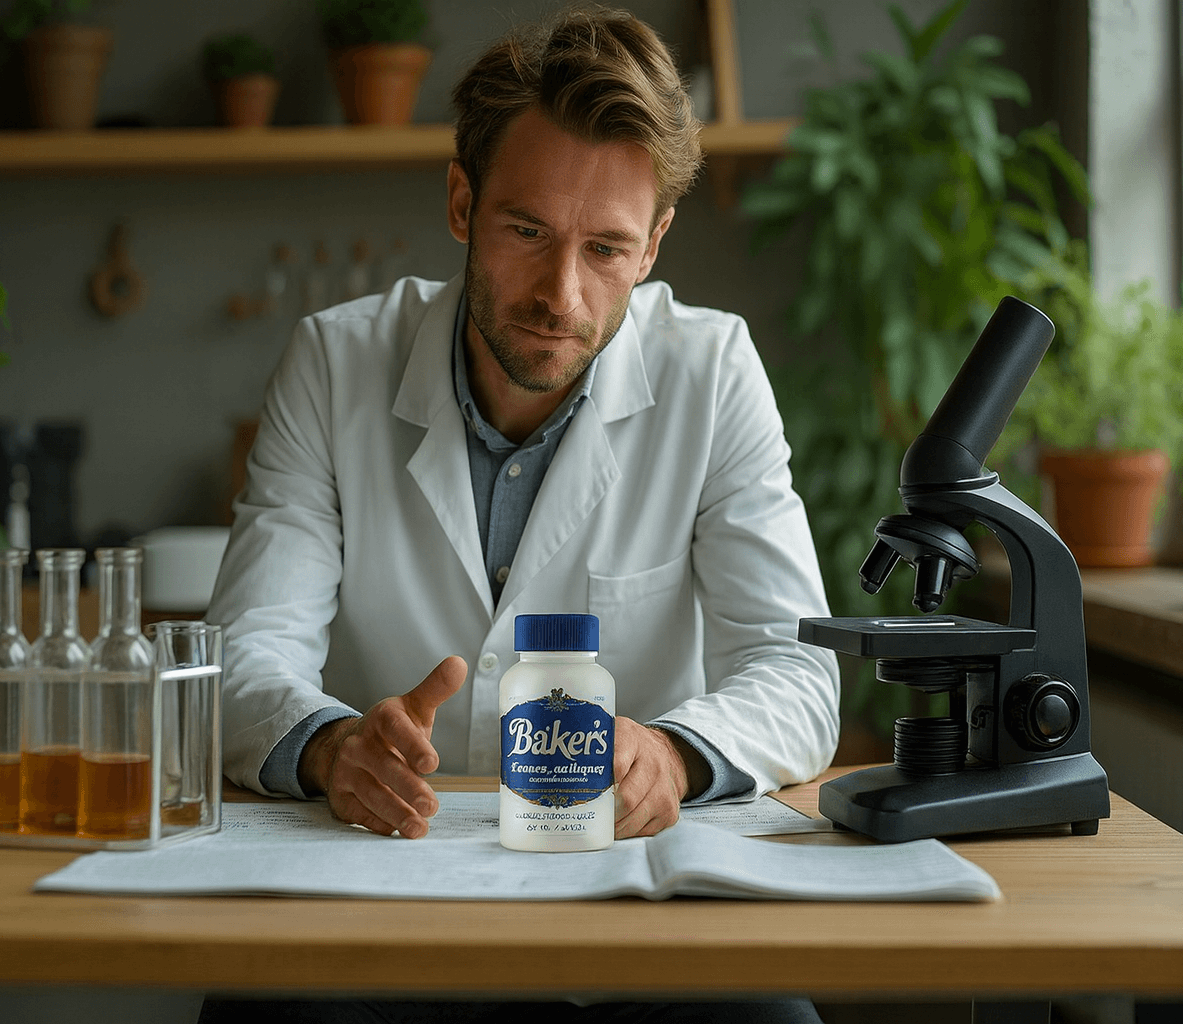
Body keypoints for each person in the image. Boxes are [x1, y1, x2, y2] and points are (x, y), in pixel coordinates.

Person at [202, 6, 837, 1022]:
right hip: (381, 912)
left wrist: (672, 753)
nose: (561, 292)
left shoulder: (712, 372)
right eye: (527, 231)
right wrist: (329, 749)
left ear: (657, 242)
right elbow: (240, 657)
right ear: (462, 201)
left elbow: (800, 673)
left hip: (633, 918)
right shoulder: (335, 361)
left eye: (607, 250)